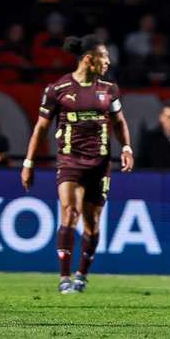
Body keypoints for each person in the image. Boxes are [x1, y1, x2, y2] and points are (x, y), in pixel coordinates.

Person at [21, 35, 134, 294]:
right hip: (70, 160)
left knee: (92, 223)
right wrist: (28, 162)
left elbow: (119, 122)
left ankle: (82, 274)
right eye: (104, 57)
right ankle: (64, 279)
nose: (108, 62)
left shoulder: (109, 90)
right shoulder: (57, 90)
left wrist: (126, 147)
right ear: (88, 59)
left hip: (100, 163)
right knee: (70, 213)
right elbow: (40, 129)